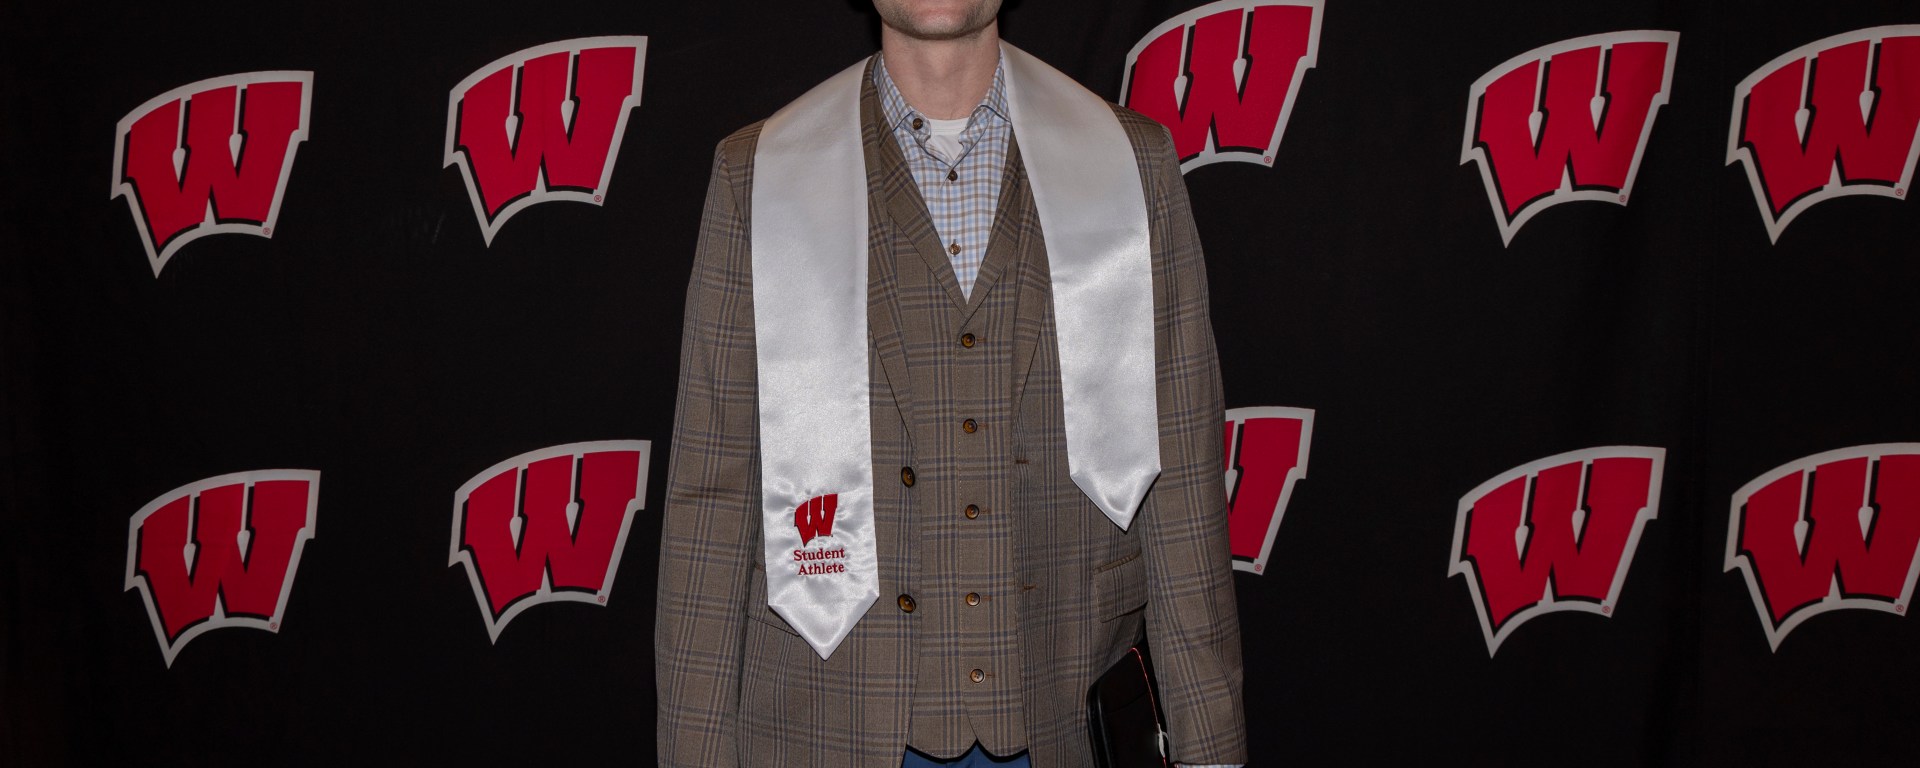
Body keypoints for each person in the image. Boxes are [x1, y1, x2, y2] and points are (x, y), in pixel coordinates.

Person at [655, 1, 1246, 766]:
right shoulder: (759, 176)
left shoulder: (1128, 164)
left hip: (1064, 716)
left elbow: (1183, 486)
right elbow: (712, 501)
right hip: (822, 727)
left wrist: (1213, 752)